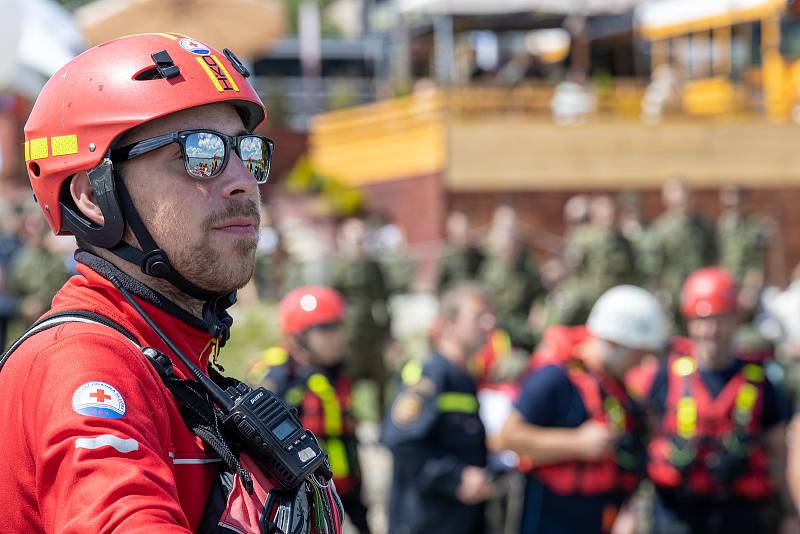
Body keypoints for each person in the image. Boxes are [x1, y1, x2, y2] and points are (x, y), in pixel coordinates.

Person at [0, 34, 340, 533]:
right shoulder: (84, 363)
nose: (242, 178)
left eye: (247, 151)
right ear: (93, 196)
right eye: (199, 152)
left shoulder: (175, 359)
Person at [501, 285, 667, 534]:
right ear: (614, 342)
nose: (641, 363)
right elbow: (510, 436)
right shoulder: (554, 377)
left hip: (599, 515)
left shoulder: (618, 389)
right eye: (637, 354)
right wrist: (577, 443)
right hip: (551, 514)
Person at [647, 267, 790, 534]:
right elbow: (648, 436)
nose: (711, 330)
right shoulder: (668, 375)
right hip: (678, 511)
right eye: (702, 319)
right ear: (689, 322)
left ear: (736, 319)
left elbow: (778, 451)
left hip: (739, 512)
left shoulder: (760, 380)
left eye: (720, 318)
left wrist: (790, 513)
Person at [255, 286, 371, 533]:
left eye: (338, 327)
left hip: (346, 484)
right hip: (306, 491)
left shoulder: (335, 370)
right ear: (299, 337)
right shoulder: (281, 377)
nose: (337, 336)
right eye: (325, 329)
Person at [382, 283, 496, 534]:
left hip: (460, 519)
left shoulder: (464, 377)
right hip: (426, 519)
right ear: (449, 324)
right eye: (478, 316)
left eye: (490, 316)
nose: (489, 324)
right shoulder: (430, 375)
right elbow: (401, 441)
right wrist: (455, 478)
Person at [646, 179, 716, 322]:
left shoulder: (703, 226)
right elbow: (654, 268)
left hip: (700, 293)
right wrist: (658, 295)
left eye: (684, 193)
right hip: (673, 295)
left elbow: (712, 259)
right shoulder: (661, 229)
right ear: (666, 198)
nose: (681, 197)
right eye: (675, 193)